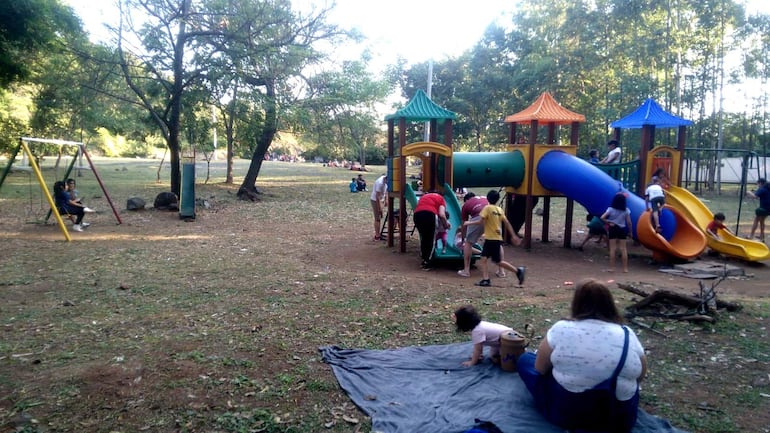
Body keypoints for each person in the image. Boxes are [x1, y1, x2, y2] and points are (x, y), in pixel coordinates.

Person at [517, 279, 647, 433]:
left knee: (526, 360)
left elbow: (540, 368)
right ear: (610, 305)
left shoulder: (562, 328)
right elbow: (640, 375)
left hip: (568, 414)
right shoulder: (627, 334)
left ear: (576, 303)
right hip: (618, 420)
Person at [463, 190, 525, 286]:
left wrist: (468, 223)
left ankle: (517, 271)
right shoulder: (499, 209)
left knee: (492, 260)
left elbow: (480, 222)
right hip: (497, 238)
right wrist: (513, 235)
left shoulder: (487, 208)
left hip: (490, 238)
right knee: (489, 259)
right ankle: (487, 279)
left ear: (488, 199)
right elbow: (507, 223)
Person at [413, 191, 450, 267]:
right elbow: (442, 214)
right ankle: (427, 261)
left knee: (424, 237)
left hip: (417, 215)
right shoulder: (441, 199)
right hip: (430, 215)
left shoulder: (424, 197)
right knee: (431, 239)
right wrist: (445, 225)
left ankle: (424, 257)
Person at [601, 193, 632, 273]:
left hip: (613, 228)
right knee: (623, 249)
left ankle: (612, 268)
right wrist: (630, 232)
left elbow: (602, 217)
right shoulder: (626, 210)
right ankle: (625, 268)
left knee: (612, 249)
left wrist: (609, 222)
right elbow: (629, 222)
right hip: (622, 228)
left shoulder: (610, 209)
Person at [370, 174, 388, 241]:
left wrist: (386, 200)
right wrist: (379, 208)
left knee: (380, 217)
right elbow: (377, 197)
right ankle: (377, 236)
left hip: (381, 199)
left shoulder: (386, 181)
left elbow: (386, 191)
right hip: (375, 200)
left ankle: (379, 234)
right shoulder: (379, 183)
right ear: (386, 179)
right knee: (377, 218)